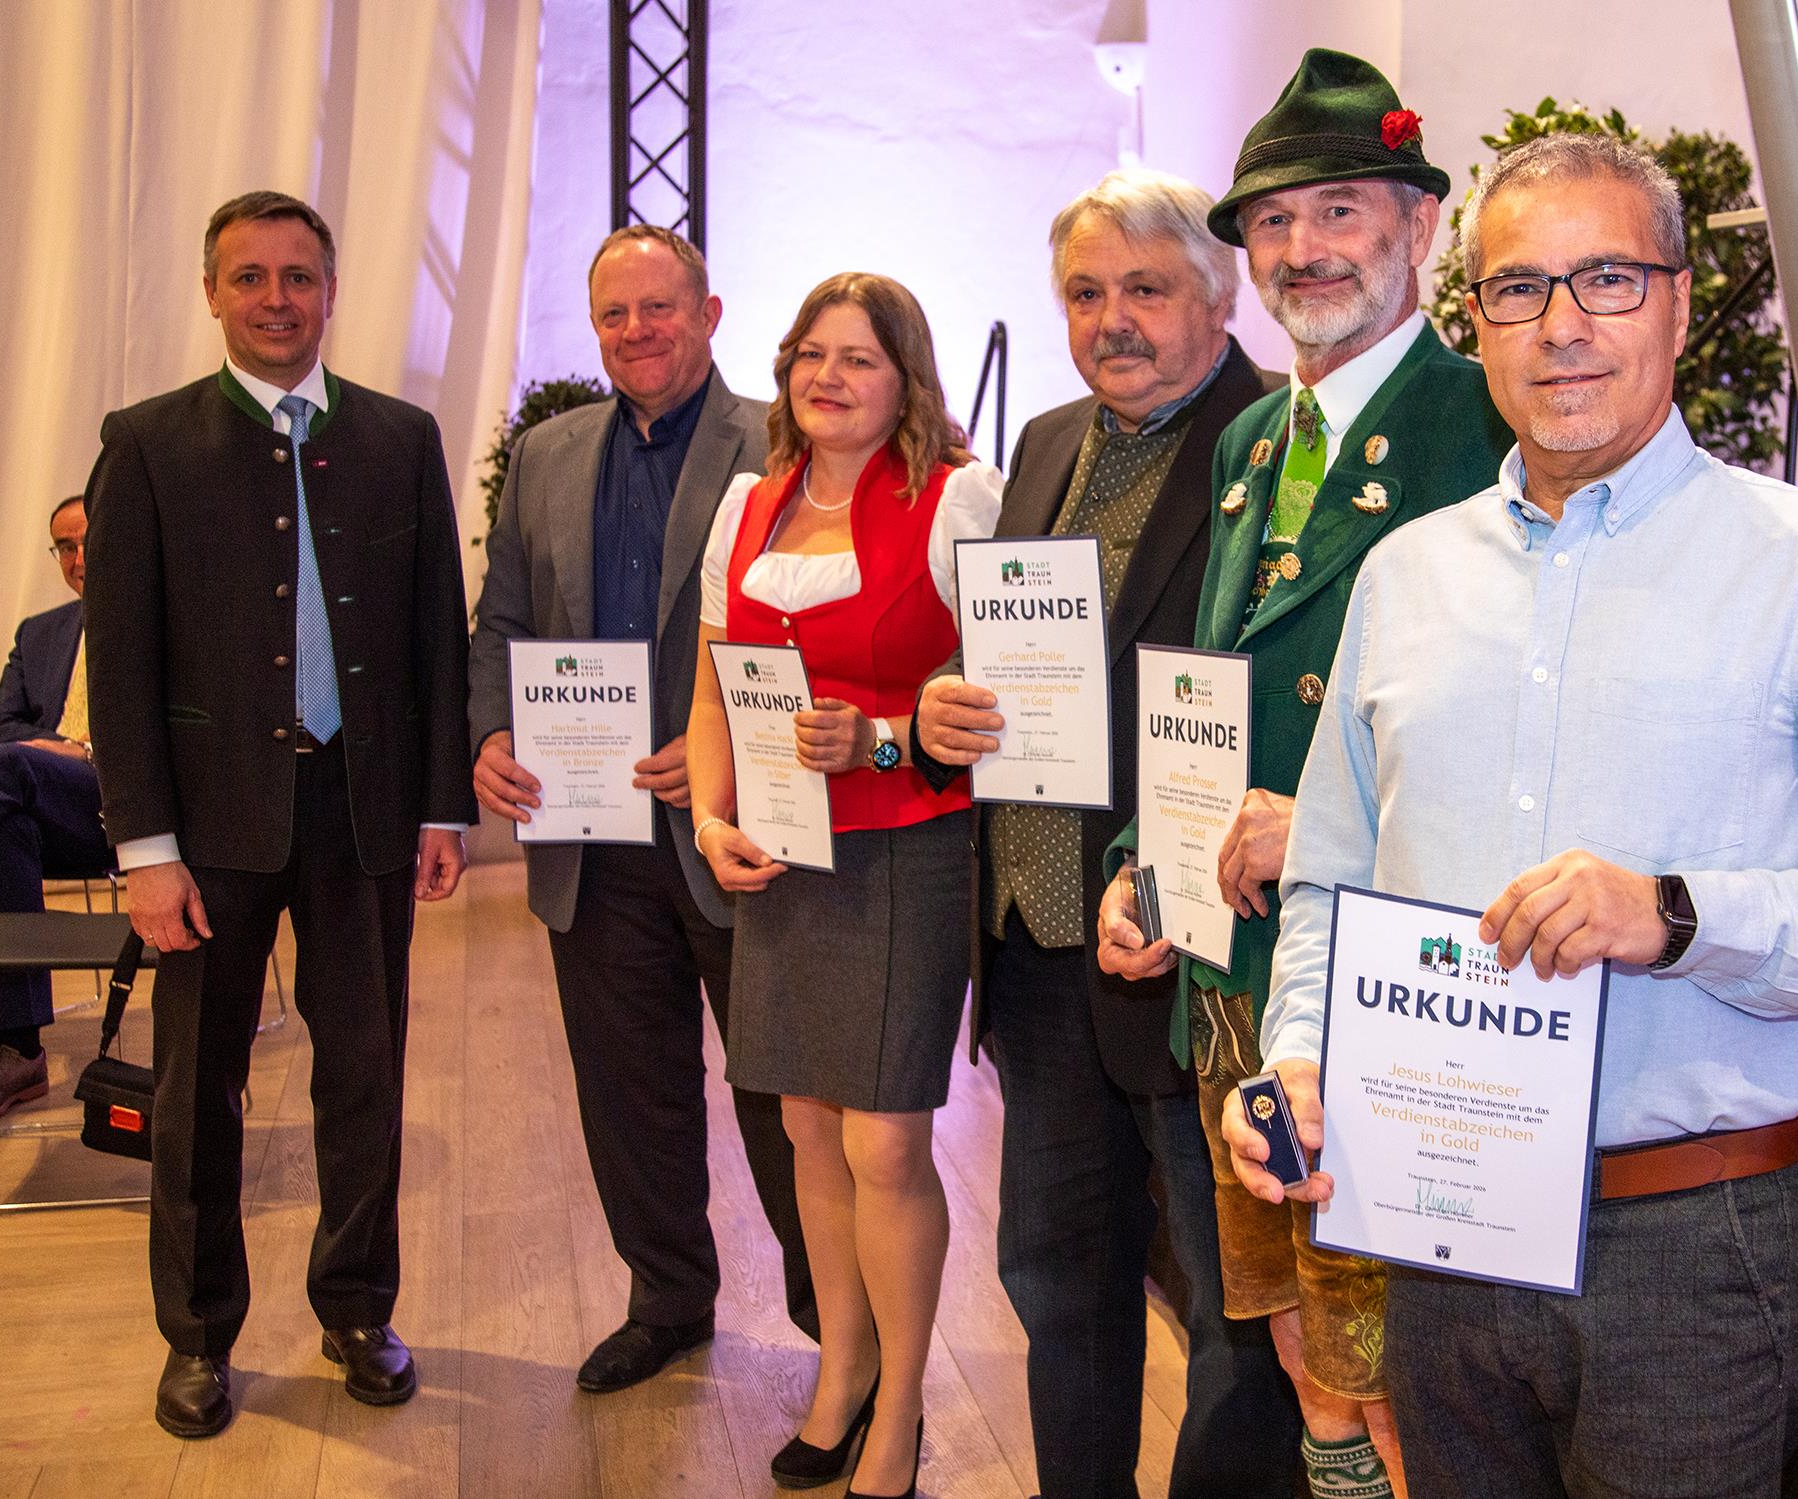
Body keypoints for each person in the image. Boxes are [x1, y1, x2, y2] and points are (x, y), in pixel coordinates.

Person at [1228, 132, 1798, 1499]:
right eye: (1518, 289)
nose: (1562, 326)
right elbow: (1332, 883)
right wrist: (1297, 1055)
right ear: (1476, 322)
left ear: (1681, 303)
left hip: (1685, 1247)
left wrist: (1677, 913)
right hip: (1437, 1225)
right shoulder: (1405, 576)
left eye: (1607, 280)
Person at [1095, 49, 1509, 1499]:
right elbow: (1212, 694)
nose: (1299, 249)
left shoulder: (1490, 426)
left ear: (1420, 226)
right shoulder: (1257, 438)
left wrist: (1327, 823)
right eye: (1271, 222)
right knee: (1297, 1356)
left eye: (1338, 209)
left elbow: (1528, 738)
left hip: (1387, 991)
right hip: (1238, 980)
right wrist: (1139, 863)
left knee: (1396, 1372)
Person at [912, 167, 1303, 1499]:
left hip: (1195, 951)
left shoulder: (1278, 442)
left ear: (1218, 295)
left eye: (1145, 288)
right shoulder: (1045, 439)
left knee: (1234, 1300)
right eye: (1084, 292)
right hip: (1035, 935)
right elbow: (1032, 658)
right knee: (1055, 1268)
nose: (1110, 319)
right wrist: (954, 704)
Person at [84, 190, 473, 1439]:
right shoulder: (146, 443)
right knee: (199, 1085)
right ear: (211, 293)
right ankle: (197, 1335)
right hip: (206, 829)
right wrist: (144, 849)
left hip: (361, 808)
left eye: (297, 276)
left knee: (365, 1071)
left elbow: (434, 643)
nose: (274, 298)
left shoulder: (401, 437)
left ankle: (357, 1305)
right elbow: (124, 656)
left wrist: (439, 807)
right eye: (248, 277)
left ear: (330, 288)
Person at [468, 225, 817, 1389]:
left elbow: (817, 629)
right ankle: (668, 1295)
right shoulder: (548, 455)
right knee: (629, 1089)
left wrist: (719, 747)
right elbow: (503, 623)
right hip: (589, 837)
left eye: (658, 308)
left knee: (780, 1098)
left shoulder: (782, 440)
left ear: (709, 314)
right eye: (614, 314)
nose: (636, 333)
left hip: (736, 836)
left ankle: (839, 1328)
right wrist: (491, 733)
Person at [686, 272, 1000, 1499]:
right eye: (810, 353)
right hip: (782, 857)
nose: (827, 376)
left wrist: (874, 732)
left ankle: (903, 1407)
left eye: (857, 358)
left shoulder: (953, 500)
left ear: (905, 376)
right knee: (805, 1123)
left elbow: (996, 691)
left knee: (881, 1137)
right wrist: (710, 817)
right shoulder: (747, 504)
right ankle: (842, 1367)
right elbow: (714, 685)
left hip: (904, 849)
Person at [0, 496, 107, 1120]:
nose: (79, 558)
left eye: (89, 539)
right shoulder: (40, 633)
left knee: (6, 769)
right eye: (65, 547)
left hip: (132, 816)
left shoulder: (167, 618)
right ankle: (19, 1050)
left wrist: (75, 751)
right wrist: (47, 751)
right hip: (57, 809)